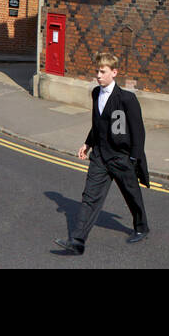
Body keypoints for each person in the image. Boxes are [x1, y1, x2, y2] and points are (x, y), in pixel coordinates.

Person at [55, 52, 150, 255]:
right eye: (97, 71)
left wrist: (133, 158)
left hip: (121, 156)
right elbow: (98, 124)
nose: (98, 75)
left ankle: (141, 227)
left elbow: (138, 131)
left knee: (131, 195)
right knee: (89, 197)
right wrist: (87, 143)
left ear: (114, 73)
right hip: (100, 156)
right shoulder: (96, 93)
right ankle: (77, 241)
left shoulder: (127, 99)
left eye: (102, 71)